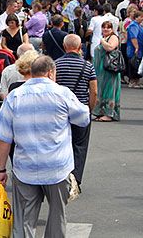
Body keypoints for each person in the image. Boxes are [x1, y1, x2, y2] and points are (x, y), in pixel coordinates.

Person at [0, 55, 90, 238]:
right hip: (57, 167)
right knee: (57, 215)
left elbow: (4, 137)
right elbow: (83, 118)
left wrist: (1, 169)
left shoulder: (15, 96)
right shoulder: (63, 93)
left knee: (23, 219)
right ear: (51, 72)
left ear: (32, 72)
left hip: (25, 167)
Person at [56, 34, 97, 190]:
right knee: (80, 145)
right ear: (80, 47)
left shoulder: (56, 65)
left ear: (64, 46)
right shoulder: (88, 66)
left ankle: (61, 176)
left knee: (61, 143)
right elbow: (94, 91)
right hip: (81, 110)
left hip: (61, 112)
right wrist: (89, 108)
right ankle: (75, 179)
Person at [93, 21, 121, 122]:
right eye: (104, 27)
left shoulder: (113, 37)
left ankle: (109, 114)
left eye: (108, 28)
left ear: (112, 29)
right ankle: (100, 112)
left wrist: (102, 41)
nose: (105, 29)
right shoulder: (105, 38)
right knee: (101, 90)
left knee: (109, 91)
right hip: (101, 71)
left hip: (109, 70)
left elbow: (110, 47)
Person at [126, 11, 143, 88]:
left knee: (137, 63)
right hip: (134, 49)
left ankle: (136, 81)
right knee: (133, 63)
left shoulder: (138, 25)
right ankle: (132, 81)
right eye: (141, 17)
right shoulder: (133, 26)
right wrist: (136, 47)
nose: (142, 18)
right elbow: (133, 37)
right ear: (137, 17)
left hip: (139, 49)